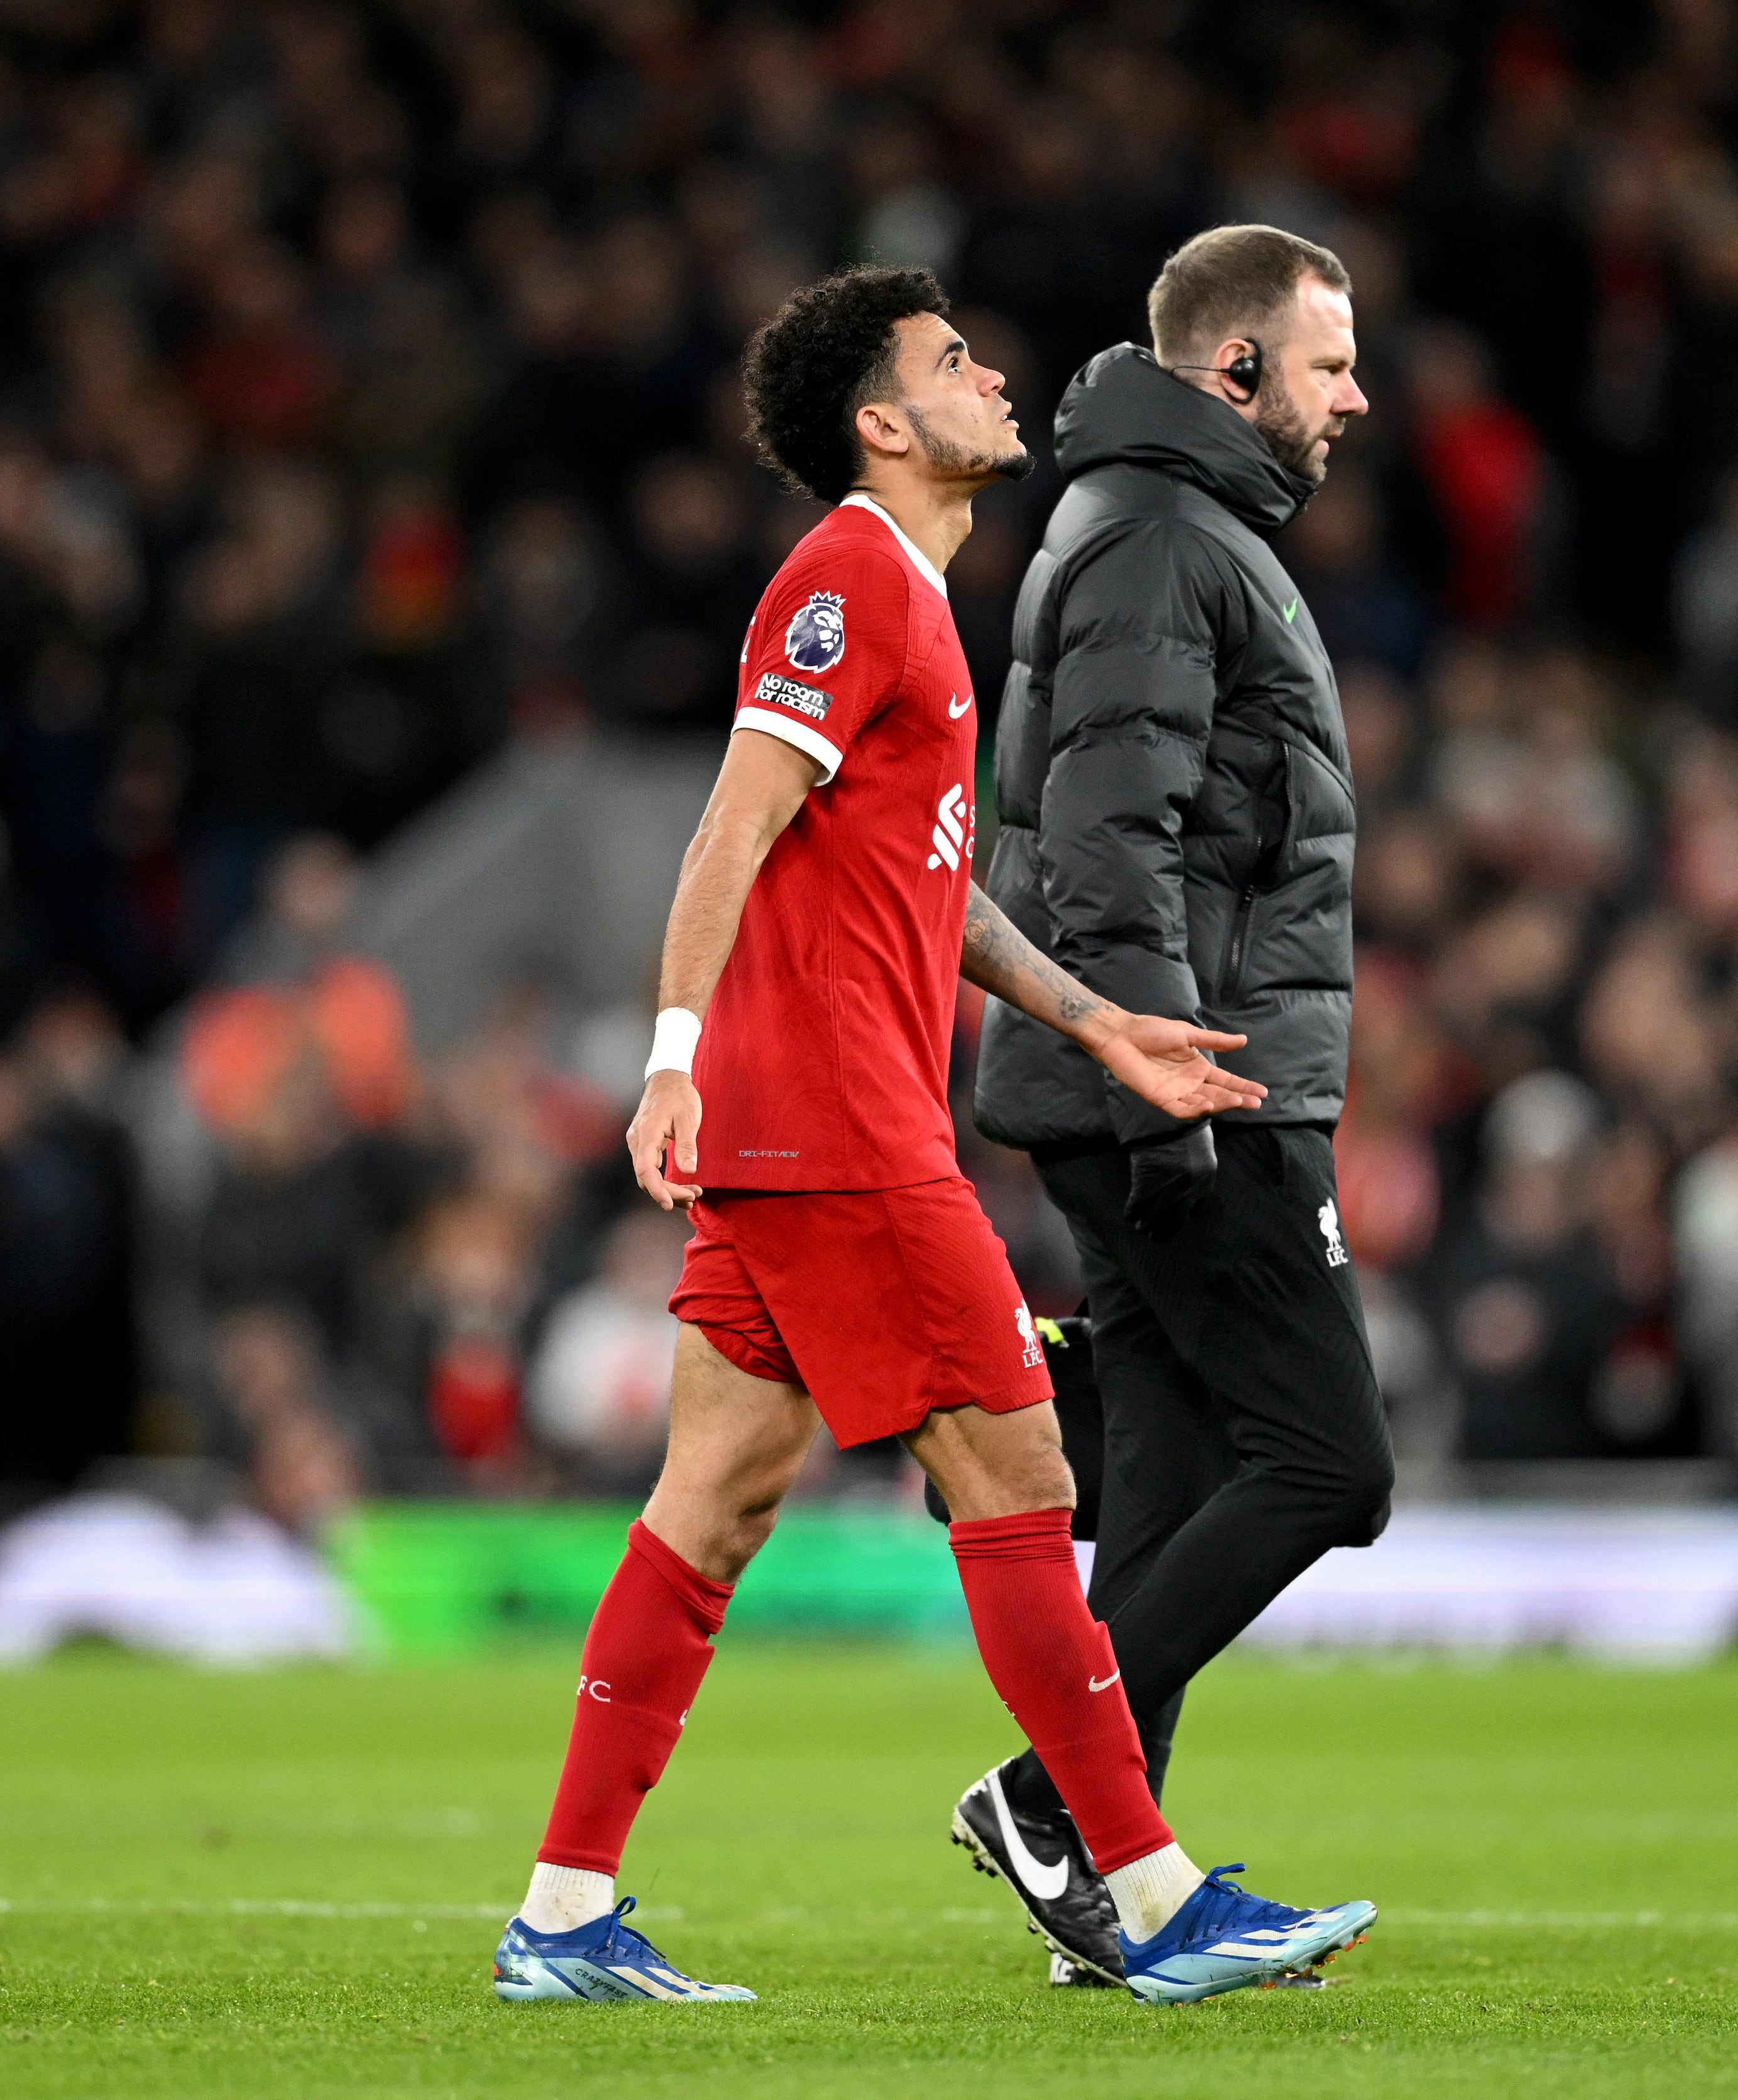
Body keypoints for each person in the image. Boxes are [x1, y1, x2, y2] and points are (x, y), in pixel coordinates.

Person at [490, 267, 1375, 2008]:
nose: (996, 379)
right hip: (837, 1125)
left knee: (713, 1504)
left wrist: (1096, 1015)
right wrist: (669, 1057)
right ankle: (1148, 1892)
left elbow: (937, 893)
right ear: (882, 425)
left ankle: (565, 1917)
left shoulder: (915, 598)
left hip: (805, 1130)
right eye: (955, 363)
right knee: (1027, 1482)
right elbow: (727, 832)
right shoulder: (844, 577)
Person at [963, 225, 1393, 1983]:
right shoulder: (1158, 537)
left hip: (1157, 1071)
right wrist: (1164, 1082)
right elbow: (1106, 841)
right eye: (1329, 363)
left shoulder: (1169, 523)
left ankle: (1116, 1899)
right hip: (1186, 1078)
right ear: (1237, 373)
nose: (1356, 397)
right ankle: (1052, 1798)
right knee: (1327, 1461)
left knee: (1161, 1476)